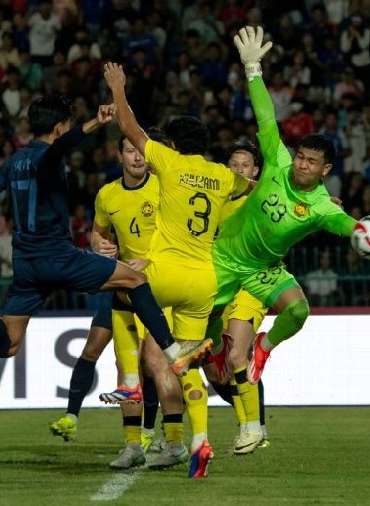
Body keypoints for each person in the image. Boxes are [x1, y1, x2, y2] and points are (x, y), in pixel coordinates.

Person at [207, 26, 370, 387]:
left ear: (325, 170)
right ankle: (206, 352)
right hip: (223, 257)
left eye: (311, 161)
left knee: (299, 310)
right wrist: (253, 69)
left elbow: (358, 229)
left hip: (262, 270)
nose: (302, 164)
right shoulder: (275, 160)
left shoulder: (322, 207)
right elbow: (266, 116)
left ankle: (263, 348)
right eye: (301, 156)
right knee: (202, 324)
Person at [0, 95, 208, 385]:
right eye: (66, 126)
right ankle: (174, 352)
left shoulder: (13, 162)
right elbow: (61, 147)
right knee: (135, 280)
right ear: (59, 128)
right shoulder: (49, 156)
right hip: (58, 257)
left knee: (7, 346)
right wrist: (95, 122)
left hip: (26, 265)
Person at [104, 62, 254, 478]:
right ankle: (199, 439)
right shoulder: (224, 176)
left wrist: (118, 87)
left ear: (172, 143)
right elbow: (253, 190)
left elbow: (131, 126)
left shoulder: (168, 162)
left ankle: (128, 379)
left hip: (164, 272)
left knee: (114, 281)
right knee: (181, 362)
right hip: (202, 281)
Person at [49, 133, 173, 471]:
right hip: (122, 287)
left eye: (140, 151)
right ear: (118, 154)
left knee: (156, 363)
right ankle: (131, 443)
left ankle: (166, 434)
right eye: (129, 151)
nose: (136, 158)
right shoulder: (107, 195)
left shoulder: (164, 187)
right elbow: (99, 234)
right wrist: (99, 246)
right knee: (121, 365)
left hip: (160, 286)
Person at [206, 141, 271, 454]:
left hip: (254, 283)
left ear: (255, 170)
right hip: (222, 285)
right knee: (221, 369)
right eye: (234, 165)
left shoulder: (261, 196)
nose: (239, 170)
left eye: (245, 165)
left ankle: (254, 428)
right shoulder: (215, 198)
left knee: (237, 357)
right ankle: (251, 424)